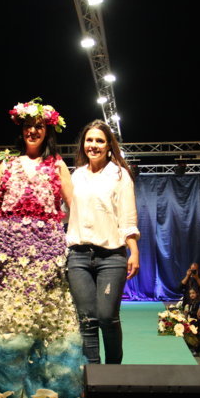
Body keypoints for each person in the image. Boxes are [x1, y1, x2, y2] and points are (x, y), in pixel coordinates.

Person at [0, 99, 82, 398]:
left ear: (48, 130)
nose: (33, 131)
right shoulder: (4, 162)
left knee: (43, 315)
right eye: (28, 126)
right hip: (5, 252)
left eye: (39, 126)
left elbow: (75, 205)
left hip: (46, 254)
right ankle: (3, 385)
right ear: (20, 129)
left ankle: (44, 384)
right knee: (6, 316)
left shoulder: (57, 164)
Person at [66, 119, 140, 366]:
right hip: (78, 256)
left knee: (107, 317)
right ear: (83, 144)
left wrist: (134, 251)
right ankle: (93, 376)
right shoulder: (76, 175)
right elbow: (65, 212)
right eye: (89, 140)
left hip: (111, 256)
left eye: (99, 140)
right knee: (87, 320)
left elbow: (127, 217)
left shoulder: (119, 175)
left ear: (109, 145)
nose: (93, 145)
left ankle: (113, 373)